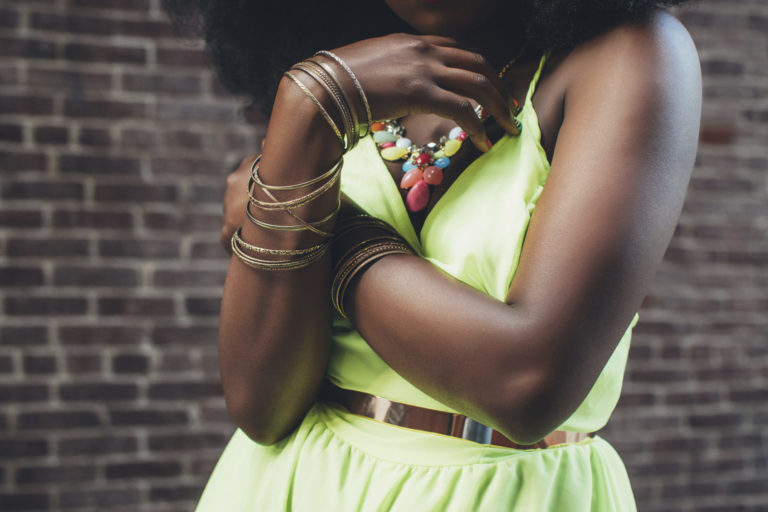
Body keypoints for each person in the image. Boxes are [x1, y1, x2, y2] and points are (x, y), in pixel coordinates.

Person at [164, 0, 701, 510]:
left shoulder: (629, 54)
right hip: (288, 484)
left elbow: (526, 384)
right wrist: (307, 104)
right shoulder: (340, 72)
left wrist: (310, 216)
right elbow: (261, 406)